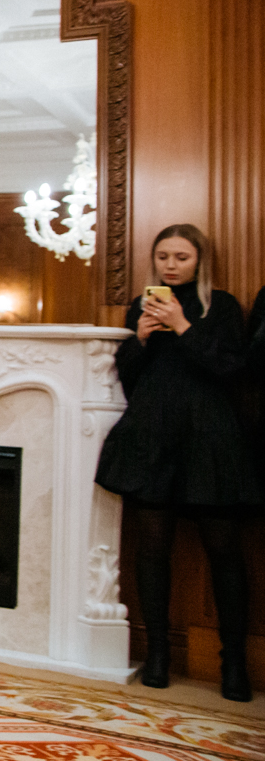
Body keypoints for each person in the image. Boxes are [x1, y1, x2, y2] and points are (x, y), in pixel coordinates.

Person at [95, 224, 257, 702]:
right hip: (153, 439)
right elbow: (129, 381)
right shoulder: (141, 306)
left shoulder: (220, 306)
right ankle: (158, 655)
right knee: (152, 549)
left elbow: (230, 368)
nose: (170, 265)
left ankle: (234, 664)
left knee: (224, 551)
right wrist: (140, 339)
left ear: (199, 260)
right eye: (163, 256)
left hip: (210, 441)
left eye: (181, 257)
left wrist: (184, 326)